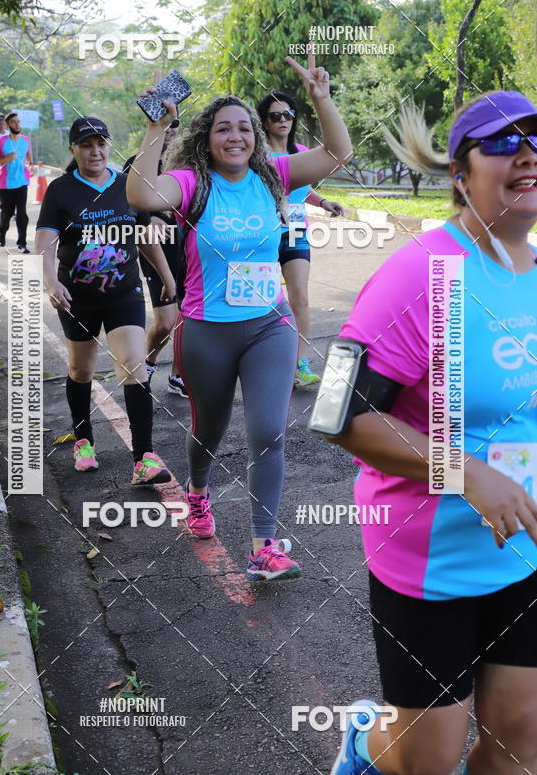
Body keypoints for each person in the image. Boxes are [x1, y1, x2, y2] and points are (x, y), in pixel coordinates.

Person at [328, 91, 537, 775]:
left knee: (520, 742)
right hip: (429, 556)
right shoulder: (420, 272)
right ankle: (363, 742)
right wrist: (465, 471)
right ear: (459, 173)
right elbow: (338, 413)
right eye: (503, 143)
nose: (527, 156)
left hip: (523, 550)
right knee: (429, 757)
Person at [127, 53, 352, 580]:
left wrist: (321, 99)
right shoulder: (191, 182)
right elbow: (140, 193)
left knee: (269, 431)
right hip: (207, 331)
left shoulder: (274, 175)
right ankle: (198, 490)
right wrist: (157, 128)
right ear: (207, 138)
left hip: (270, 326)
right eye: (224, 128)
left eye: (245, 128)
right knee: (209, 428)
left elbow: (337, 153)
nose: (236, 136)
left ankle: (262, 546)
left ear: (256, 137)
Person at [35, 116, 177, 484]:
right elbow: (45, 243)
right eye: (86, 144)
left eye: (101, 143)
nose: (95, 151)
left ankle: (143, 457)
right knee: (81, 370)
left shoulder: (126, 184)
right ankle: (83, 441)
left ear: (108, 145)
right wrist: (51, 282)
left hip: (123, 293)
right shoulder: (60, 190)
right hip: (77, 298)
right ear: (73, 149)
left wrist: (167, 277)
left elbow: (144, 236)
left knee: (133, 364)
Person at [257, 90, 343, 387]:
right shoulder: (258, 156)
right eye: (275, 116)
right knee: (266, 298)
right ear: (265, 122)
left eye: (288, 115)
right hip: (263, 233)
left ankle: (300, 363)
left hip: (295, 232)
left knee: (300, 297)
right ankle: (265, 357)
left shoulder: (301, 151)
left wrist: (323, 202)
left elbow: (302, 187)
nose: (283, 120)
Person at [122, 117, 187, 398]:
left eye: (175, 123)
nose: (170, 129)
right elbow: (126, 205)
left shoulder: (187, 163)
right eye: (165, 123)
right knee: (166, 322)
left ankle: (178, 375)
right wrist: (151, 219)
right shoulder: (139, 163)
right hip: (157, 253)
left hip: (189, 252)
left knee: (188, 319)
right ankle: (148, 361)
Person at [0, 112, 33, 252]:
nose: (17, 124)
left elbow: (28, 154)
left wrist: (31, 165)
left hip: (22, 182)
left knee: (22, 214)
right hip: (6, 183)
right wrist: (6, 159)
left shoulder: (25, 140)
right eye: (13, 122)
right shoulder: (0, 141)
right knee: (6, 213)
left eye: (18, 121)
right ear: (8, 125)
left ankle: (22, 243)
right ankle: (2, 233)